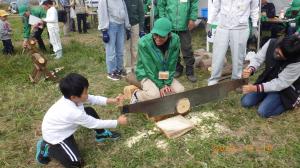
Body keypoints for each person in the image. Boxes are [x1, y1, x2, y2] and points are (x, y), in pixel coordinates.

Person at [35, 73, 127, 167]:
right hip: (56, 137)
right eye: (85, 92)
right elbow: (94, 123)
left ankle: (101, 133)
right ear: (73, 97)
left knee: (89, 111)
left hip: (64, 128)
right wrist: (117, 122)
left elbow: (93, 99)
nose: (87, 95)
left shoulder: (73, 97)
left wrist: (113, 100)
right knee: (76, 163)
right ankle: (46, 147)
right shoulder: (72, 112)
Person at [241, 35, 300, 118]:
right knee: (246, 102)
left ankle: (292, 102)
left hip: (285, 89)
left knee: (263, 112)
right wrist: (251, 68)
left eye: (281, 56)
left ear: (289, 58)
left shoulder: (296, 63)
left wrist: (255, 88)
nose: (277, 55)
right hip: (267, 80)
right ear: (279, 44)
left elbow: (280, 83)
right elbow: (258, 59)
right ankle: (267, 94)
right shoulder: (271, 43)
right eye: (277, 52)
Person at [130, 18, 185, 103]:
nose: (158, 38)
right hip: (146, 73)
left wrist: (167, 82)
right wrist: (161, 85)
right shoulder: (144, 42)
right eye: (155, 34)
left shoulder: (175, 40)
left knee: (180, 90)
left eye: (162, 36)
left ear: (169, 34)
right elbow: (149, 68)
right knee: (154, 95)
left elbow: (172, 64)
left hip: (162, 73)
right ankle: (137, 95)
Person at [207, 0, 259, 86]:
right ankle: (214, 79)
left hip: (241, 27)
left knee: (238, 55)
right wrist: (209, 22)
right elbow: (215, 6)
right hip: (223, 26)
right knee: (218, 54)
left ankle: (236, 79)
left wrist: (254, 25)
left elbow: (254, 8)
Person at [157, 0, 199, 83]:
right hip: (170, 25)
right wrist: (163, 19)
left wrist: (192, 18)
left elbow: (194, 3)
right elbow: (161, 4)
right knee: (172, 48)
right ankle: (177, 68)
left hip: (184, 25)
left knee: (187, 48)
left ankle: (190, 71)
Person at [97, 0, 131, 81]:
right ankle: (111, 72)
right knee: (111, 50)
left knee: (120, 50)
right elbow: (102, 13)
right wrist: (104, 30)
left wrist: (127, 26)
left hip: (121, 25)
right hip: (111, 25)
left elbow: (125, 12)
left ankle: (119, 69)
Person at [124, 0, 145, 74]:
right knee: (126, 47)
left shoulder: (139, 1)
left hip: (135, 25)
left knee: (135, 47)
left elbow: (141, 14)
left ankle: (135, 66)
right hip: (124, 26)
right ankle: (127, 67)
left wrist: (141, 29)